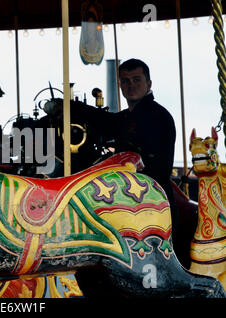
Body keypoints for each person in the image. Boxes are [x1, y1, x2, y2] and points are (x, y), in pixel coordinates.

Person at [72, 58, 179, 248]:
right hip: (132, 200)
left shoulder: (157, 116)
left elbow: (113, 125)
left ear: (149, 84)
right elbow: (108, 121)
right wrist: (73, 107)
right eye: (125, 81)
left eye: (136, 80)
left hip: (151, 202)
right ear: (120, 85)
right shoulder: (130, 116)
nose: (131, 86)